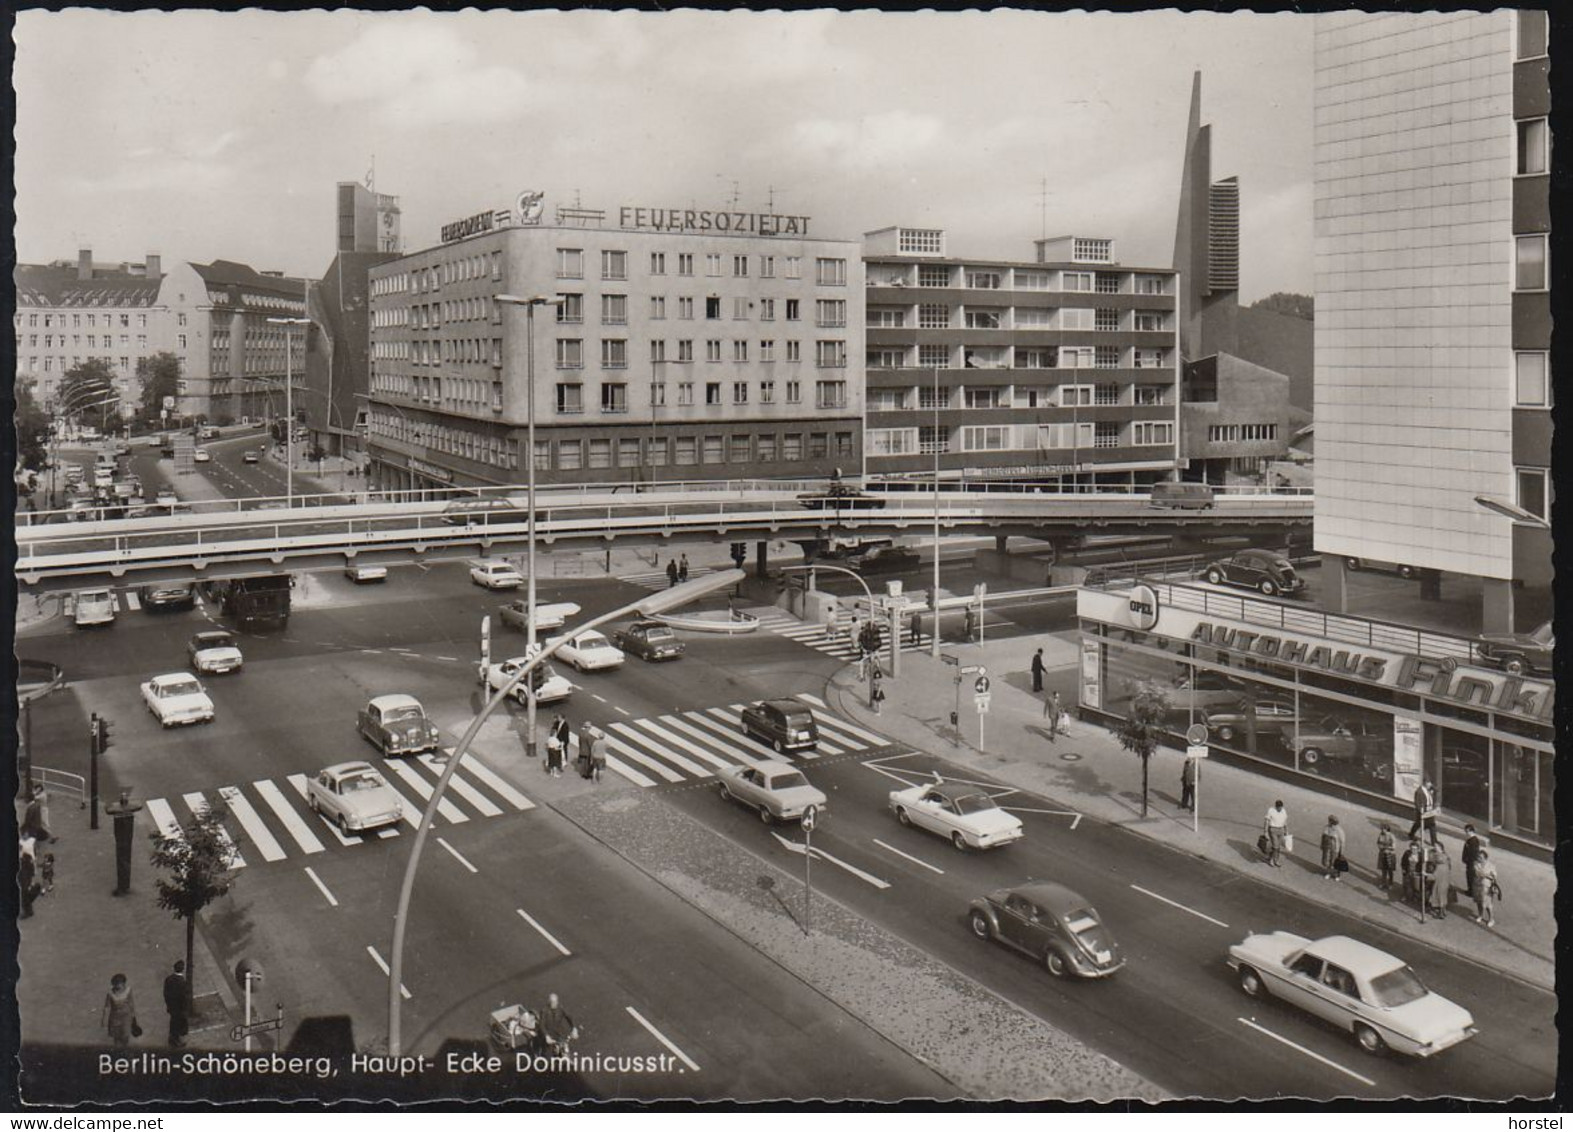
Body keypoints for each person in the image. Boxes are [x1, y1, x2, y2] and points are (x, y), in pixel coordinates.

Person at [102, 974, 139, 1049]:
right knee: (116, 1038)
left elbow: (131, 1003)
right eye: (116, 984)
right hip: (114, 1019)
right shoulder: (110, 994)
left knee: (125, 1036)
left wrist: (133, 1016)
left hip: (126, 1018)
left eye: (120, 983)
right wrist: (103, 1020)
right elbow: (107, 1007)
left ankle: (124, 1051)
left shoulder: (128, 990)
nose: (118, 986)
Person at [163, 960, 190, 1048]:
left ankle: (172, 1038)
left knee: (173, 1022)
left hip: (171, 1006)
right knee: (178, 1024)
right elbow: (184, 998)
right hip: (179, 1008)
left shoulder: (168, 979)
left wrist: (168, 1004)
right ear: (182, 969)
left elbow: (165, 993)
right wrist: (185, 1009)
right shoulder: (183, 982)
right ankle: (175, 1040)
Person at [1426, 839, 1452, 919]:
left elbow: (1434, 876)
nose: (1435, 847)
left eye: (1436, 846)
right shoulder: (1446, 858)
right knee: (1443, 895)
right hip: (1445, 880)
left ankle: (1440, 913)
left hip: (1440, 881)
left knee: (1439, 895)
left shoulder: (1440, 864)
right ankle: (1443, 911)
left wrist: (1426, 874)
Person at [1472, 849, 1499, 926]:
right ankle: (1480, 915)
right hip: (1477, 885)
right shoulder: (1476, 864)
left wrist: (1486, 875)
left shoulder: (1491, 865)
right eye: (1478, 857)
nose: (1479, 859)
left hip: (1486, 887)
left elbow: (1494, 876)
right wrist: (1487, 875)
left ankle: (1491, 919)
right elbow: (1477, 873)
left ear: (1485, 858)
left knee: (1488, 904)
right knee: (1478, 901)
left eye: (1481, 857)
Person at [1409, 778, 1438, 844]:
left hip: (1430, 811)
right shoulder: (1419, 791)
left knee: (1432, 825)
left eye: (1430, 783)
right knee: (1418, 824)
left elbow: (1436, 791)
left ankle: (1434, 841)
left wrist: (1432, 788)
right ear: (1425, 783)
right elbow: (1417, 803)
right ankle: (1411, 834)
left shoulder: (1429, 790)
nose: (1430, 784)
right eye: (1429, 783)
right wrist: (1421, 810)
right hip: (1423, 811)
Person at [1320, 814, 1346, 881]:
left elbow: (1342, 841)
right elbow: (1323, 837)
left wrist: (1342, 851)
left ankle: (1336, 875)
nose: (1329, 822)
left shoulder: (1339, 830)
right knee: (1327, 860)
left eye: (1330, 821)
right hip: (1327, 847)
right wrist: (1322, 845)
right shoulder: (1326, 827)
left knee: (1335, 862)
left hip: (1335, 849)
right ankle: (1328, 872)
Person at [1263, 800, 1289, 867]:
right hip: (1273, 829)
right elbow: (1267, 821)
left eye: (1281, 807)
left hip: (1281, 830)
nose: (1280, 809)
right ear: (1276, 806)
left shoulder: (1283, 811)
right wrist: (1265, 831)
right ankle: (1272, 860)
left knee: (1278, 846)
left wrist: (1286, 830)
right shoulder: (1271, 810)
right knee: (1275, 846)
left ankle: (1275, 859)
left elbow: (1285, 821)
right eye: (1278, 807)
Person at [1461, 824, 1482, 901]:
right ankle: (1470, 890)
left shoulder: (1473, 841)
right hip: (1470, 862)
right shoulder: (1471, 840)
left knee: (1471, 877)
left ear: (1471, 831)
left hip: (1471, 862)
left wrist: (1467, 860)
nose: (1466, 833)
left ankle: (1471, 892)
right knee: (1470, 876)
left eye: (1467, 831)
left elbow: (1472, 853)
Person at [1376, 823, 1398, 891]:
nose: (1382, 830)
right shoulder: (1381, 835)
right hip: (1383, 854)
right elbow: (1378, 843)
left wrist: (1384, 847)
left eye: (1384, 829)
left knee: (1390, 870)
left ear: (1387, 829)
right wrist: (1381, 847)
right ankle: (1383, 882)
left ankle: (1390, 883)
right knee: (1383, 870)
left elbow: (1393, 847)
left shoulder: (1392, 836)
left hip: (1390, 854)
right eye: (1382, 829)